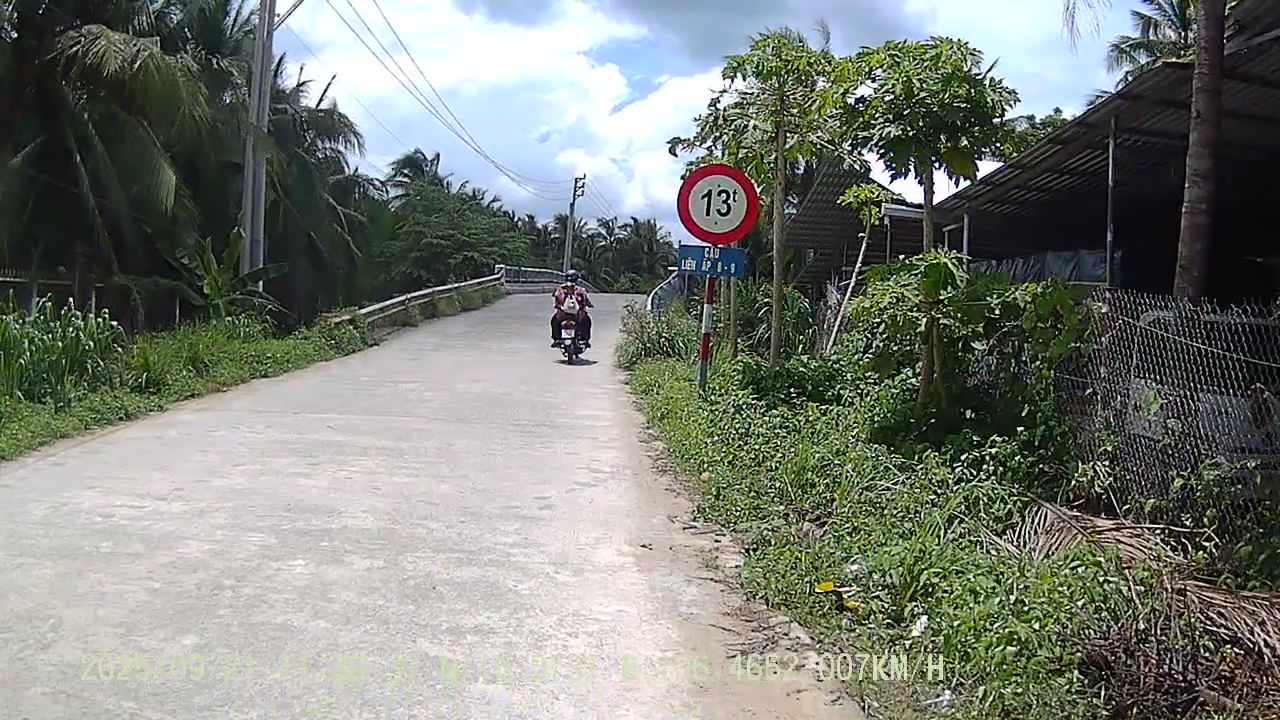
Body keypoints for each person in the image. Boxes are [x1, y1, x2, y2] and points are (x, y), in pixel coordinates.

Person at [551, 270, 593, 347]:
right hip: (577, 315)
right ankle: (584, 339)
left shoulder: (559, 289)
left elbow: (555, 298)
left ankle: (556, 339)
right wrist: (589, 305)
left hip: (562, 315)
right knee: (587, 321)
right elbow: (586, 301)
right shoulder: (580, 289)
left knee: (554, 321)